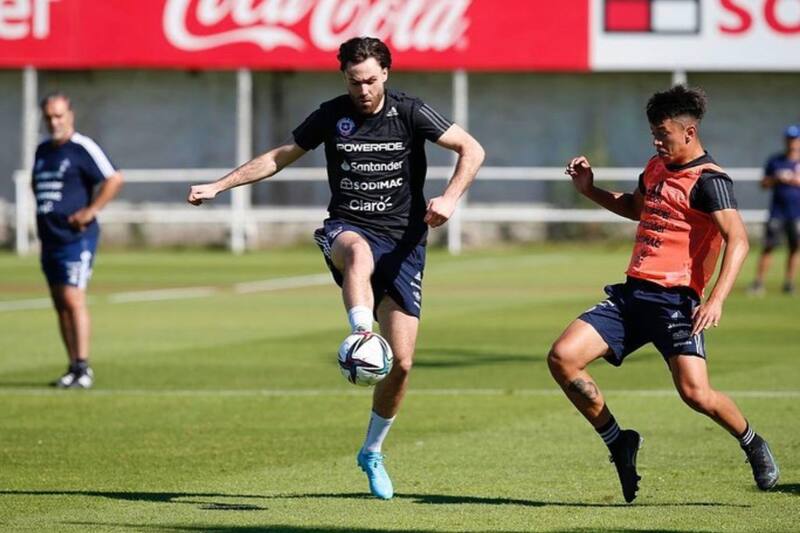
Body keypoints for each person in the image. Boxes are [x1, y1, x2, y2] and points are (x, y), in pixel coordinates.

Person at [187, 37, 484, 499]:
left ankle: (371, 451)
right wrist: (219, 185)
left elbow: (472, 149)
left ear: (385, 73)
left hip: (405, 244)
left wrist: (449, 198)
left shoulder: (410, 112)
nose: (362, 89)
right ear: (344, 77)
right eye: (353, 80)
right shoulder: (332, 114)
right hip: (347, 228)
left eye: (369, 80)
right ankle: (361, 332)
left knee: (401, 364)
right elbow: (280, 155)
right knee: (358, 254)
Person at [548, 85, 779, 503]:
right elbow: (637, 208)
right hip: (632, 295)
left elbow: (739, 240)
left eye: (664, 134)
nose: (656, 141)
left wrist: (716, 299)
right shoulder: (656, 166)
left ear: (689, 133)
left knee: (695, 394)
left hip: (677, 302)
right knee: (563, 358)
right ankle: (619, 441)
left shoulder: (710, 181)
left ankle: (752, 442)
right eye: (653, 133)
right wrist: (589, 191)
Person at [33, 92, 124, 388]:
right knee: (60, 302)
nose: (53, 121)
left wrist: (90, 211)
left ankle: (84, 368)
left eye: (59, 116)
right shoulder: (43, 151)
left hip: (77, 238)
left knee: (74, 298)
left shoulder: (82, 148)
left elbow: (114, 178)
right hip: (50, 237)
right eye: (48, 116)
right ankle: (72, 366)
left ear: (70, 115)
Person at [748, 124, 800, 295]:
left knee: (795, 248)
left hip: (797, 213)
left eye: (795, 139)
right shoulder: (775, 160)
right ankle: (758, 283)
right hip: (777, 211)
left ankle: (789, 283)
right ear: (785, 140)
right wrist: (776, 178)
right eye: (789, 138)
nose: (792, 142)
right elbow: (763, 184)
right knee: (768, 246)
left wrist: (795, 180)